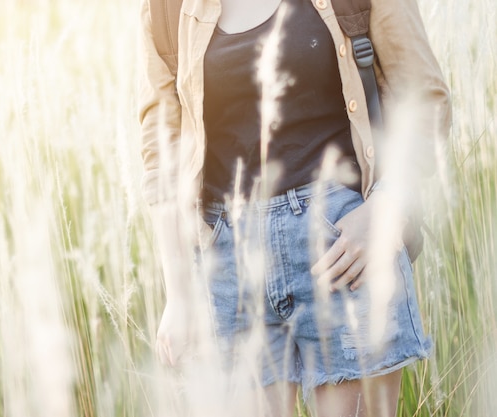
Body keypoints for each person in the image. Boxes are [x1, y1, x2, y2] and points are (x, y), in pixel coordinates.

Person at [138, 0, 451, 415]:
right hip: (227, 264)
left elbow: (423, 99)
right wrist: (177, 294)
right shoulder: (164, 7)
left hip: (343, 248)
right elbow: (161, 147)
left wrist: (386, 206)